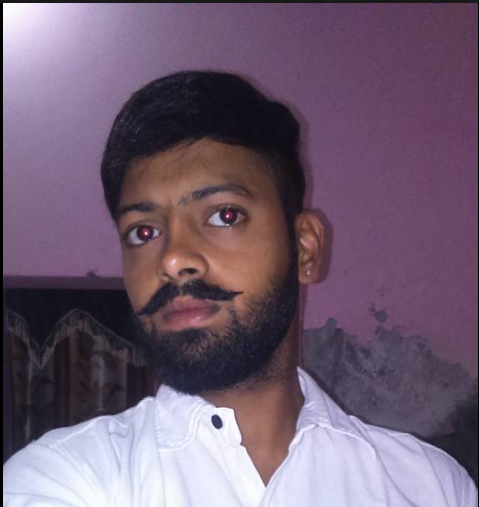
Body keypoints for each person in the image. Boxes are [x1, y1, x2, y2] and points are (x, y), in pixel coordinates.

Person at [3, 70, 477, 506]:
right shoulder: (62, 479)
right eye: (143, 232)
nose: (172, 259)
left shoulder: (430, 487)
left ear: (305, 248)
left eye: (224, 215)